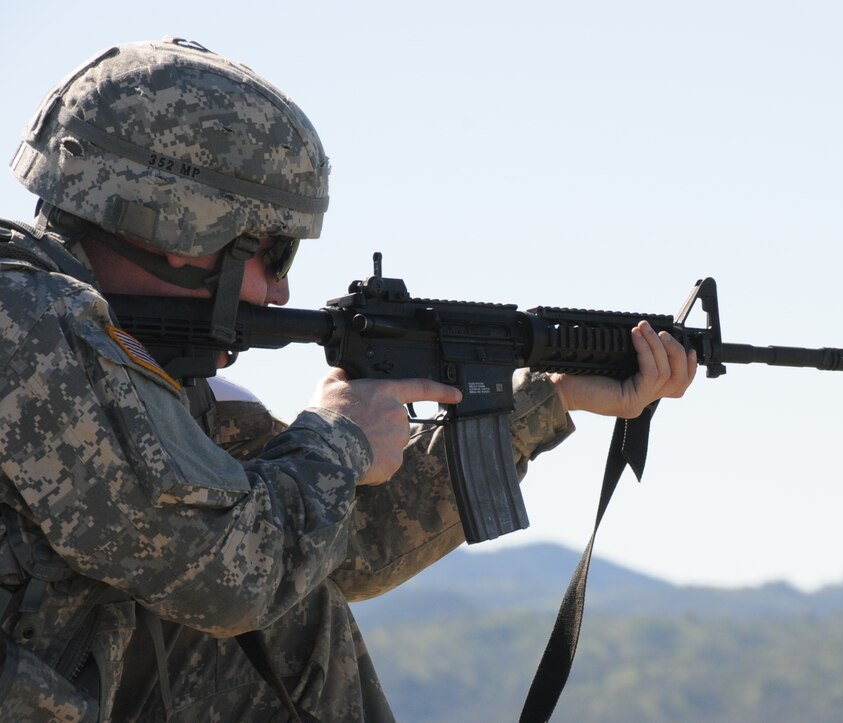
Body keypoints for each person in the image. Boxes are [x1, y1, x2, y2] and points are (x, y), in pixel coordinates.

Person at [0, 39, 696, 722]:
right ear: (178, 225)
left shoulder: (125, 369)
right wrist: (335, 440)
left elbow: (342, 548)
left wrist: (551, 393)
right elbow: (232, 577)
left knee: (295, 613)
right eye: (270, 252)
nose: (279, 289)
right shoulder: (30, 327)